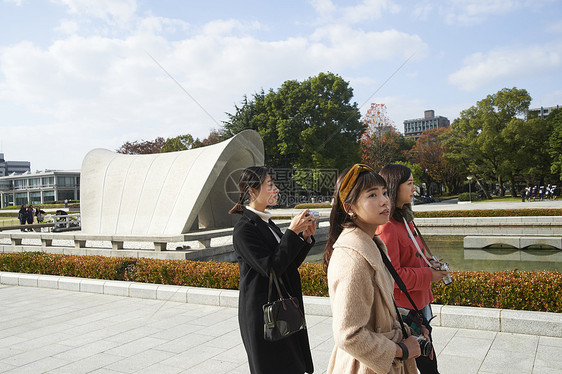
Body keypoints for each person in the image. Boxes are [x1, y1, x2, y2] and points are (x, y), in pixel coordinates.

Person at [324, 164, 420, 374]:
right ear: (349, 208)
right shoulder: (353, 257)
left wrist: (411, 325)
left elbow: (379, 308)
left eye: (385, 192)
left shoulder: (372, 242)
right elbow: (348, 335)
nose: (385, 200)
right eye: (372, 195)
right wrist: (400, 350)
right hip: (364, 366)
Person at [230, 166, 316, 374]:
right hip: (263, 315)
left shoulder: (266, 224)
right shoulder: (244, 229)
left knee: (292, 364)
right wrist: (291, 233)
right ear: (252, 191)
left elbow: (287, 265)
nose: (276, 189)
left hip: (282, 308)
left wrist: (303, 239)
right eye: (270, 185)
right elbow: (270, 269)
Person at [377, 164, 450, 374]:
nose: (413, 188)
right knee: (427, 365)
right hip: (406, 310)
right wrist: (429, 275)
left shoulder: (404, 217)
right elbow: (394, 274)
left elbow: (416, 253)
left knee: (427, 358)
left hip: (420, 302)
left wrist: (430, 263)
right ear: (394, 187)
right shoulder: (388, 224)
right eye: (409, 183)